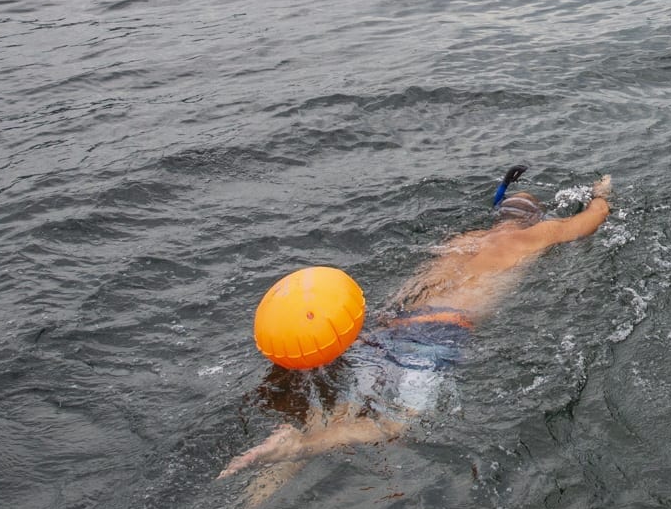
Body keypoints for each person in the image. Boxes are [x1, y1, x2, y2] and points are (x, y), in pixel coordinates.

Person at [219, 173, 614, 477]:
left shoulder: (465, 239)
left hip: (392, 327)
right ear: (532, 220)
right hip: (439, 335)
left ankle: (260, 493)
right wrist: (601, 192)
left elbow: (415, 285)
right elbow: (591, 220)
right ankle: (299, 447)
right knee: (394, 424)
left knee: (339, 411)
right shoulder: (534, 236)